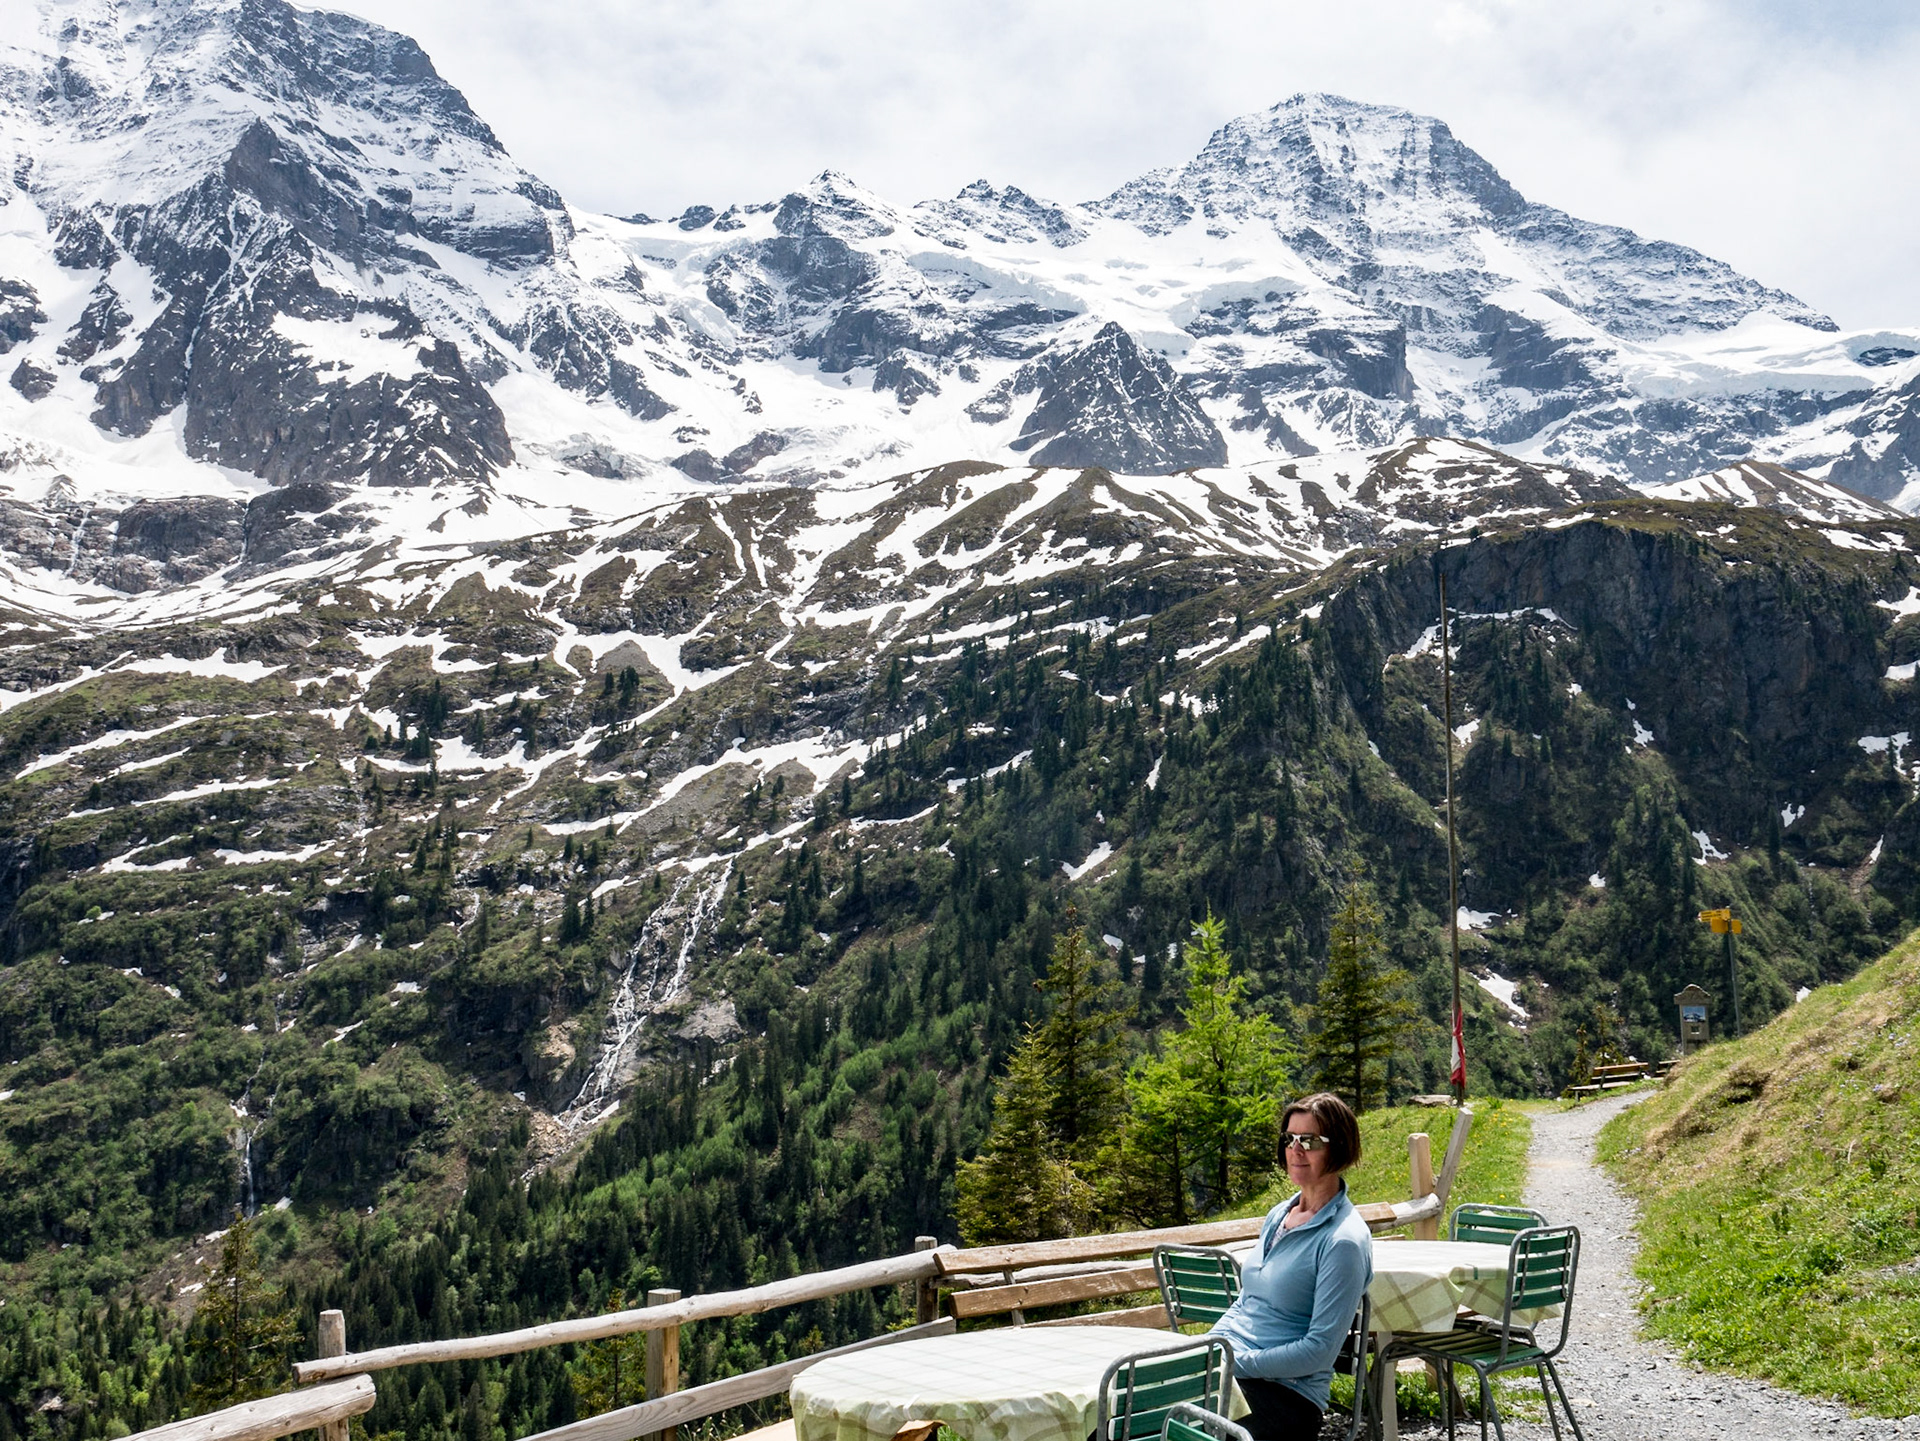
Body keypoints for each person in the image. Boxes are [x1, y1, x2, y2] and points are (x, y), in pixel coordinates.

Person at [1209, 1092, 1372, 1441]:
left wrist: (1236, 1362)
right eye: (1289, 1139)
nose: (1296, 1149)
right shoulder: (1279, 1215)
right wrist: (1209, 1349)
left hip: (1285, 1396)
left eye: (1310, 1141)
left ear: (1339, 1147)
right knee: (1122, 1416)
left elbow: (1318, 1351)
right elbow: (1246, 1301)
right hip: (1235, 1374)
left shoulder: (1343, 1241)